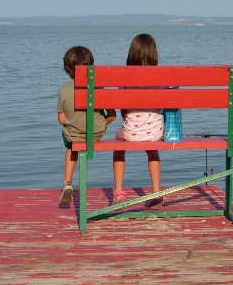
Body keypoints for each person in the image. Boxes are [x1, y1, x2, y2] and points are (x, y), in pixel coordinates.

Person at [57, 45, 115, 205]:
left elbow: (61, 120)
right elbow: (113, 115)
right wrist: (100, 123)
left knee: (70, 146)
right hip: (96, 134)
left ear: (67, 69)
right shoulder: (100, 88)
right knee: (82, 133)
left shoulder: (63, 90)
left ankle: (67, 182)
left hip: (74, 135)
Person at [112, 33, 164, 209]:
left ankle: (119, 193)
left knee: (118, 142)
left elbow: (122, 109)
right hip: (156, 131)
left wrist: (129, 119)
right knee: (152, 150)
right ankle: (156, 191)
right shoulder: (160, 77)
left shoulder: (124, 77)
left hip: (131, 132)